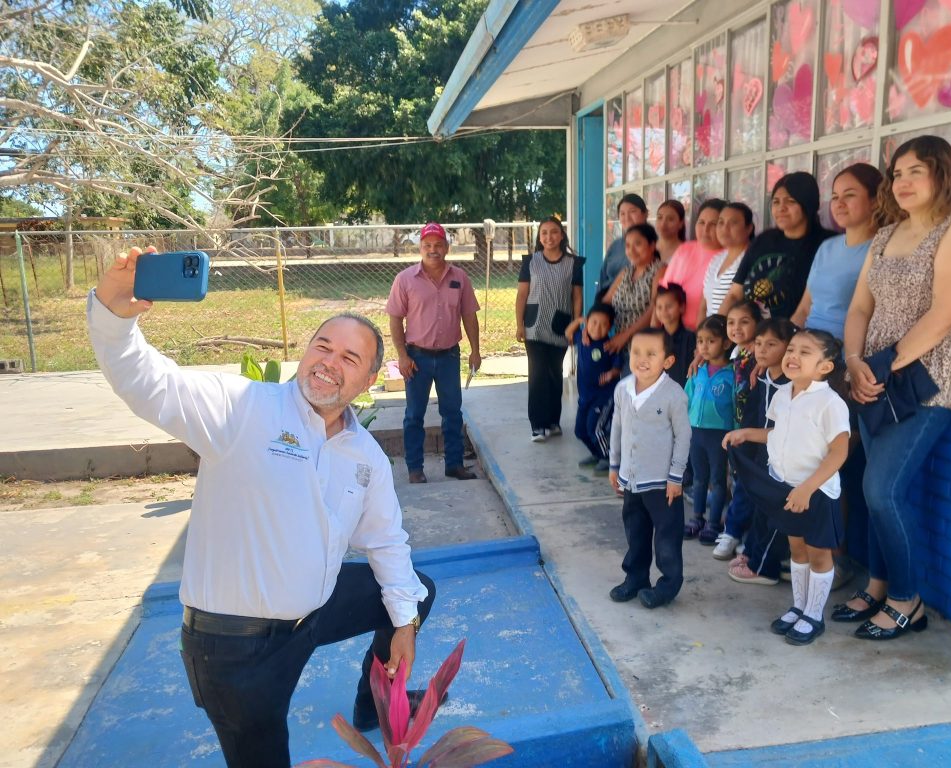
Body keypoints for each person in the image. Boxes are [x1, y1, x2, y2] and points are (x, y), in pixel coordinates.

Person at [87, 246, 436, 767]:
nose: (328, 363)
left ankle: (375, 703)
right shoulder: (242, 408)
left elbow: (385, 540)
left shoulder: (365, 456)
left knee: (413, 593)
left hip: (310, 615)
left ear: (368, 381)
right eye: (323, 346)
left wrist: (403, 626)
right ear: (305, 351)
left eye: (349, 358)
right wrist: (114, 312)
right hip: (235, 649)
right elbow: (148, 382)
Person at [838, 135, 951, 640]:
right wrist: (855, 360)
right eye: (897, 173)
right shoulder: (885, 235)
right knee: (869, 487)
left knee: (883, 489)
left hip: (927, 380)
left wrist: (883, 366)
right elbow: (860, 308)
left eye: (915, 172)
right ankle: (879, 584)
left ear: (942, 174)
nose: (902, 182)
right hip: (874, 378)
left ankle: (908, 600)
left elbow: (947, 313)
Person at [724, 330, 851, 646]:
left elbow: (839, 450)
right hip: (786, 489)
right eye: (791, 349)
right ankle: (799, 606)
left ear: (825, 366)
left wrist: (808, 488)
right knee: (797, 549)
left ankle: (814, 614)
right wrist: (747, 434)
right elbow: (778, 433)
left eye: (805, 352)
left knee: (819, 553)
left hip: (816, 493)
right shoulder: (783, 394)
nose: (793, 355)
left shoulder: (830, 403)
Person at [388, 223, 480, 483]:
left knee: (453, 413)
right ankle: (415, 469)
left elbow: (469, 316)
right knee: (414, 414)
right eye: (427, 245)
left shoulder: (459, 278)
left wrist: (476, 350)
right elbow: (395, 319)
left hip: (449, 357)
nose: (433, 250)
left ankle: (454, 464)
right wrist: (402, 356)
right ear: (420, 248)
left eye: (438, 245)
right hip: (417, 358)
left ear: (446, 248)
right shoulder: (405, 280)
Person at [608, 327, 692, 609]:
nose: (642, 359)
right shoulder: (623, 388)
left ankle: (667, 586)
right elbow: (617, 427)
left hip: (663, 484)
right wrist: (614, 465)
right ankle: (636, 578)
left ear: (667, 361)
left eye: (651, 354)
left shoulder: (673, 394)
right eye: (636, 352)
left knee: (667, 537)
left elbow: (683, 436)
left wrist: (676, 477)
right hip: (632, 481)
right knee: (636, 531)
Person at [727, 318, 798, 585]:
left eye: (771, 344)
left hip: (782, 458)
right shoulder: (765, 374)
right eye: (758, 343)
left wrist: (747, 435)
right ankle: (753, 554)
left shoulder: (791, 384)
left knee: (773, 514)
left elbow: (784, 430)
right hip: (762, 455)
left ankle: (764, 568)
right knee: (759, 507)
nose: (762, 350)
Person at [720, 172, 836, 320]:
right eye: (776, 202)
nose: (781, 208)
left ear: (808, 204)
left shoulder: (828, 245)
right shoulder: (763, 240)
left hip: (798, 336)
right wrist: (717, 327)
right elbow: (735, 294)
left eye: (790, 201)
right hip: (751, 336)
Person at [791, 163, 884, 336]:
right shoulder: (827, 247)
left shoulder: (883, 249)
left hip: (845, 351)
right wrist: (786, 343)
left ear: (875, 201)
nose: (839, 203)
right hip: (806, 346)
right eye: (834, 197)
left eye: (849, 195)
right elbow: (803, 309)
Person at [516, 216, 584, 442]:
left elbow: (577, 297)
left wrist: (575, 324)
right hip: (533, 328)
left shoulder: (573, 264)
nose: (549, 237)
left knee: (555, 374)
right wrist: (519, 324)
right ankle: (538, 425)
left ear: (561, 235)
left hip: (560, 327)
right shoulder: (531, 262)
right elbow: (522, 295)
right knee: (537, 375)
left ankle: (553, 421)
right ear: (539, 237)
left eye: (553, 232)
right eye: (544, 233)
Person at [706, 299, 761, 554]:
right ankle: (739, 533)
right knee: (737, 478)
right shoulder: (736, 354)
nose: (736, 327)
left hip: (755, 428)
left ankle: (734, 532)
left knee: (746, 481)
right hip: (737, 426)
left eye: (744, 322)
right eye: (730, 322)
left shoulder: (760, 355)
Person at [683, 314, 735, 542]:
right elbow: (686, 399)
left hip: (720, 435)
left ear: (725, 343)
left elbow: (736, 405)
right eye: (700, 341)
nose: (703, 346)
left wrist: (735, 432)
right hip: (696, 432)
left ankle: (714, 523)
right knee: (699, 478)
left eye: (710, 341)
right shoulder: (697, 371)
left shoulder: (733, 374)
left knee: (717, 480)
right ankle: (697, 518)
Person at [564, 303, 622, 470]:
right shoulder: (583, 340)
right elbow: (568, 333)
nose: (598, 328)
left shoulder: (609, 345)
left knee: (595, 429)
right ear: (587, 323)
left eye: (604, 324)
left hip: (604, 397)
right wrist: (580, 320)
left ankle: (609, 459)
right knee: (580, 431)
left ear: (610, 327)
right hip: (585, 397)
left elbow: (617, 366)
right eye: (594, 322)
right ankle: (597, 454)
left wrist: (611, 374)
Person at [660, 198, 726, 331]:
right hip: (672, 331)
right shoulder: (685, 249)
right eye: (701, 222)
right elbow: (663, 292)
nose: (705, 229)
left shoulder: (729, 257)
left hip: (707, 336)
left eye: (713, 224)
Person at [605, 223, 666, 354]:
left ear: (652, 245)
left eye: (637, 244)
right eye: (627, 246)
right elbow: (606, 301)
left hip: (643, 347)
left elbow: (654, 309)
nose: (631, 251)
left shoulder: (660, 270)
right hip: (617, 343)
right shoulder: (626, 271)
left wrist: (626, 335)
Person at [700, 202, 756, 323]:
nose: (725, 228)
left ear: (749, 228)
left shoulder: (752, 259)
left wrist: (715, 333)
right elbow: (704, 304)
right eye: (721, 222)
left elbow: (735, 298)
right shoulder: (717, 259)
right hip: (710, 336)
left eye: (733, 223)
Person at [599, 193, 648, 297]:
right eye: (622, 214)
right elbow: (602, 279)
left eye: (632, 212)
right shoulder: (615, 246)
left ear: (645, 214)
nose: (627, 218)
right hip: (608, 306)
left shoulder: (654, 245)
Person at [654, 282, 697, 383]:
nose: (663, 311)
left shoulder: (691, 338)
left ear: (682, 307)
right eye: (659, 307)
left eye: (669, 306)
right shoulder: (654, 339)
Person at [655, 199, 687, 267]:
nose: (663, 224)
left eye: (670, 219)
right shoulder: (648, 246)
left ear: (681, 223)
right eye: (660, 217)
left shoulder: (686, 252)